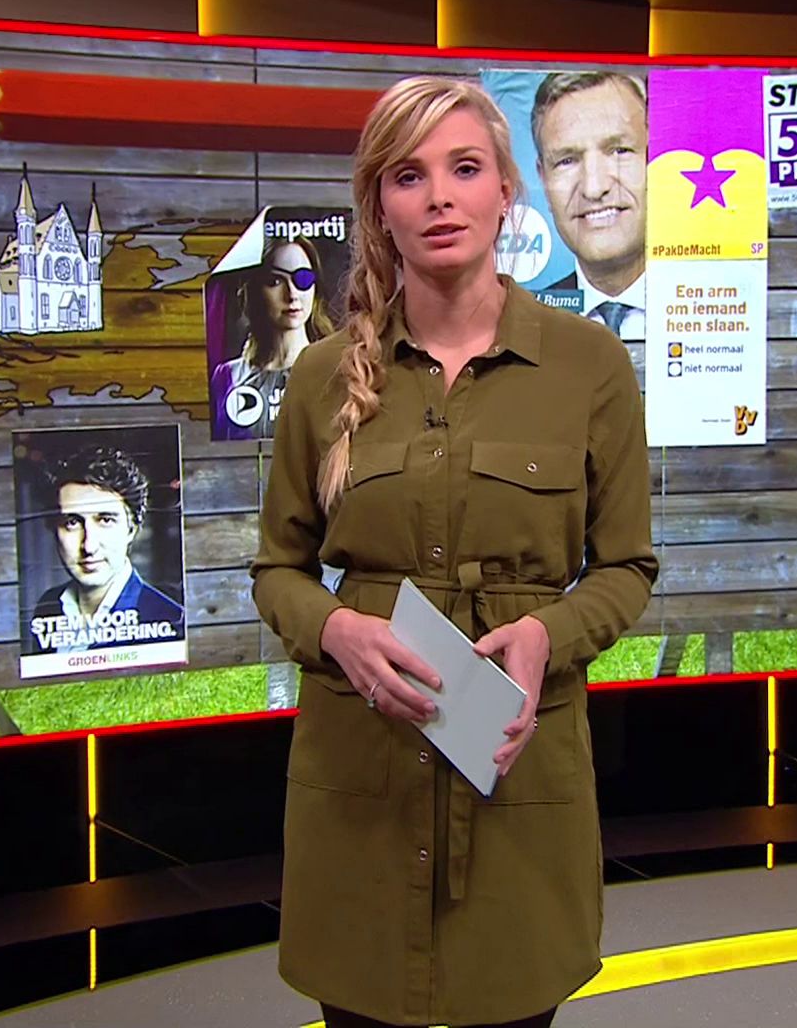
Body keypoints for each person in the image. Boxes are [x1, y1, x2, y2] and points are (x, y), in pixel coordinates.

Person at [251, 77, 657, 1028]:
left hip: (517, 780)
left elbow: (626, 568)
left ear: (506, 190)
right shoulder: (321, 377)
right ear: (379, 205)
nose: (439, 197)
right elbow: (277, 570)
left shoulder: (589, 365)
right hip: (362, 783)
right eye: (409, 176)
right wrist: (337, 631)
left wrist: (548, 636)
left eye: (464, 168)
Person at [531, 72, 648, 340]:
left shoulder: (713, 308)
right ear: (543, 179)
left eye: (619, 151)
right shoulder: (524, 324)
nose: (594, 188)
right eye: (567, 161)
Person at [30, 444, 182, 647]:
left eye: (106, 520)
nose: (89, 546)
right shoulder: (47, 607)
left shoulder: (170, 621)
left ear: (132, 529)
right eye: (72, 522)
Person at [211, 236, 335, 440]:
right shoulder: (226, 377)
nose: (292, 294)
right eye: (275, 281)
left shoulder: (336, 371)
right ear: (254, 290)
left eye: (303, 278)